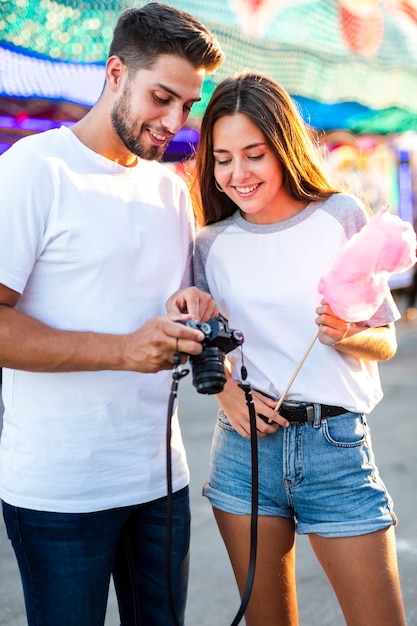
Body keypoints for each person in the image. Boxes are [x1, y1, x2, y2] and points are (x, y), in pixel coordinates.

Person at [0, 4, 224, 626]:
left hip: (162, 484)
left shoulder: (168, 189)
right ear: (116, 72)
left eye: (188, 105)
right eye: (162, 97)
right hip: (59, 493)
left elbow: (161, 307)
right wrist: (123, 350)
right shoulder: (32, 169)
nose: (175, 121)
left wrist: (189, 307)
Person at [191, 71, 406, 626]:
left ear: (283, 146)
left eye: (254, 154)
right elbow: (204, 346)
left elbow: (384, 339)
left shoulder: (340, 217)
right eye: (222, 158)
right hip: (244, 454)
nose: (238, 173)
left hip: (334, 447)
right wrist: (227, 399)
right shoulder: (210, 244)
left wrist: (347, 333)